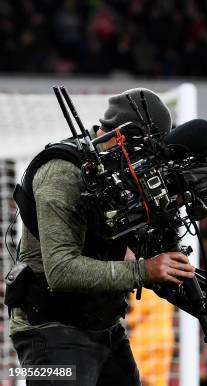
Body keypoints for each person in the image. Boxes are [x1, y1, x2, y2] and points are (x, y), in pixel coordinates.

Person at [8, 88, 196, 385]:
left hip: (104, 324)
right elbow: (61, 270)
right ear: (121, 137)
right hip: (48, 327)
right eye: (143, 150)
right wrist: (144, 270)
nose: (145, 162)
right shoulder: (62, 173)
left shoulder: (119, 170)